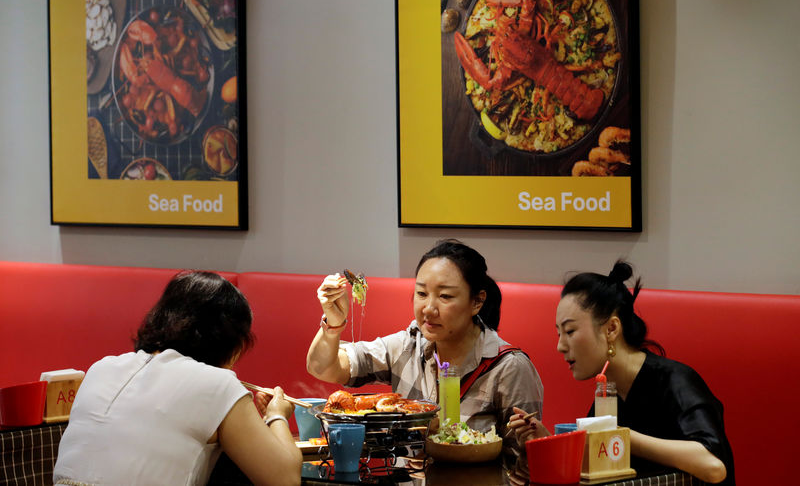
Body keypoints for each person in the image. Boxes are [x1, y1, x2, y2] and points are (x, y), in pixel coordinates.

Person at [53, 271, 302, 486]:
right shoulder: (217, 384)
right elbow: (284, 479)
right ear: (230, 340)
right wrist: (276, 414)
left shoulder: (101, 367)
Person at [306, 239, 543, 458]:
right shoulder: (407, 345)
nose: (428, 308)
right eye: (421, 293)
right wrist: (334, 323)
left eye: (445, 296)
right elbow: (323, 368)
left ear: (477, 301)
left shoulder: (509, 368)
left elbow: (523, 459)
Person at [509, 261, 734, 485]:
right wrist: (544, 439)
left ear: (611, 329)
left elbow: (713, 466)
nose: (560, 346)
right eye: (559, 333)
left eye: (570, 331)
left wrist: (621, 437)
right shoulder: (608, 391)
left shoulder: (675, 380)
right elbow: (592, 467)